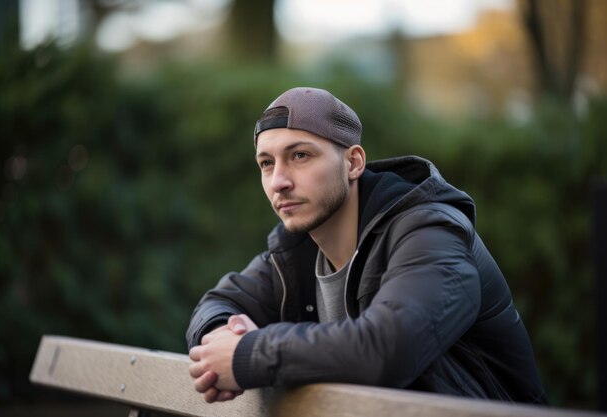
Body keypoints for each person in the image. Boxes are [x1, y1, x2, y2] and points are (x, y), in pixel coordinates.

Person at [186, 87, 547, 405]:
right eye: (267, 163)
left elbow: (389, 349)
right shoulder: (294, 252)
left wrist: (247, 355)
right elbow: (217, 303)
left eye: (300, 156)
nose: (278, 181)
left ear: (353, 162)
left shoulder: (431, 232)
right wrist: (221, 339)